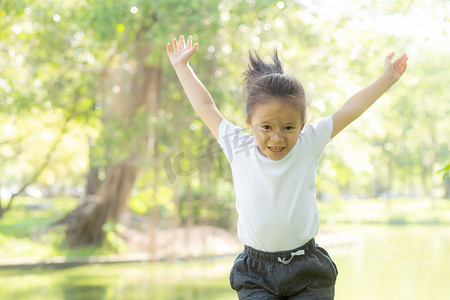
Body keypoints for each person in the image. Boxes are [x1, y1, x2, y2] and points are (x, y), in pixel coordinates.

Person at [167, 35, 408, 299]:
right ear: (249, 122)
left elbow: (350, 108)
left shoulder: (309, 143)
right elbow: (206, 106)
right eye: (266, 127)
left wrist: (387, 79)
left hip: (307, 271)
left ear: (302, 125)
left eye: (289, 127)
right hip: (256, 274)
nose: (277, 137)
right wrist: (182, 67)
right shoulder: (237, 147)